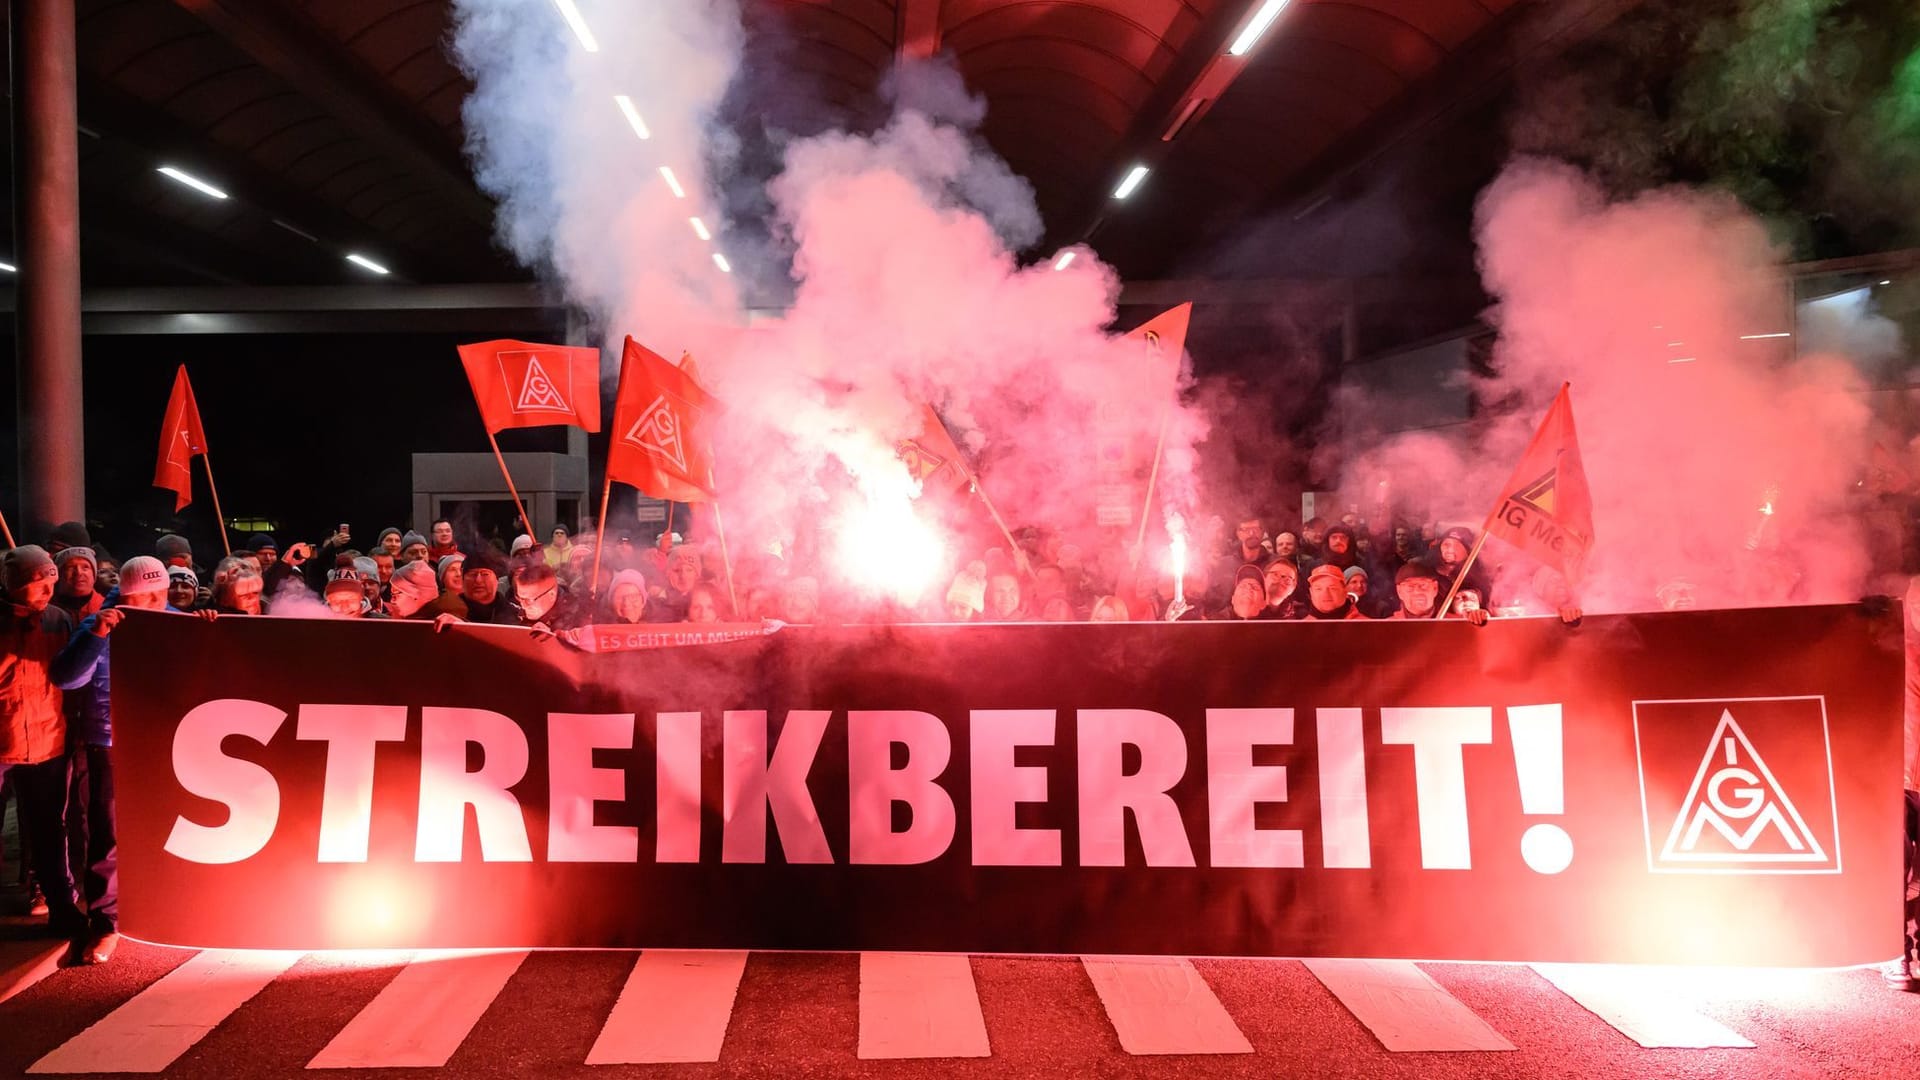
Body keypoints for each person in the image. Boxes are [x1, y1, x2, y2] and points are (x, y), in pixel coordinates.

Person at [48, 555, 171, 964]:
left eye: (160, 595)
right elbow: (67, 677)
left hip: (163, 743)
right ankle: (105, 922)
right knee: (109, 835)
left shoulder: (175, 619)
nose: (153, 604)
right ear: (126, 593)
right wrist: (98, 635)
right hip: (109, 742)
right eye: (144, 597)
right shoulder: (100, 621)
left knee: (166, 830)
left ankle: (161, 910)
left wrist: (207, 624)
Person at [0, 546, 83, 941]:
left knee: (50, 828)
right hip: (4, 738)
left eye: (51, 582)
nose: (47, 591)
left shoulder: (58, 619)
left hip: (48, 738)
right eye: (38, 584)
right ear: (14, 585)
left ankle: (62, 906)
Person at [459, 548, 518, 624]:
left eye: (485, 574)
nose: (478, 580)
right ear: (463, 580)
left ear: (497, 580)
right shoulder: (450, 611)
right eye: (472, 574)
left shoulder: (515, 615)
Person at [53, 548, 102, 622]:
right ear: (59, 574)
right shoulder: (44, 611)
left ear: (93, 575)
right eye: (70, 567)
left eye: (85, 567)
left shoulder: (106, 608)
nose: (79, 572)